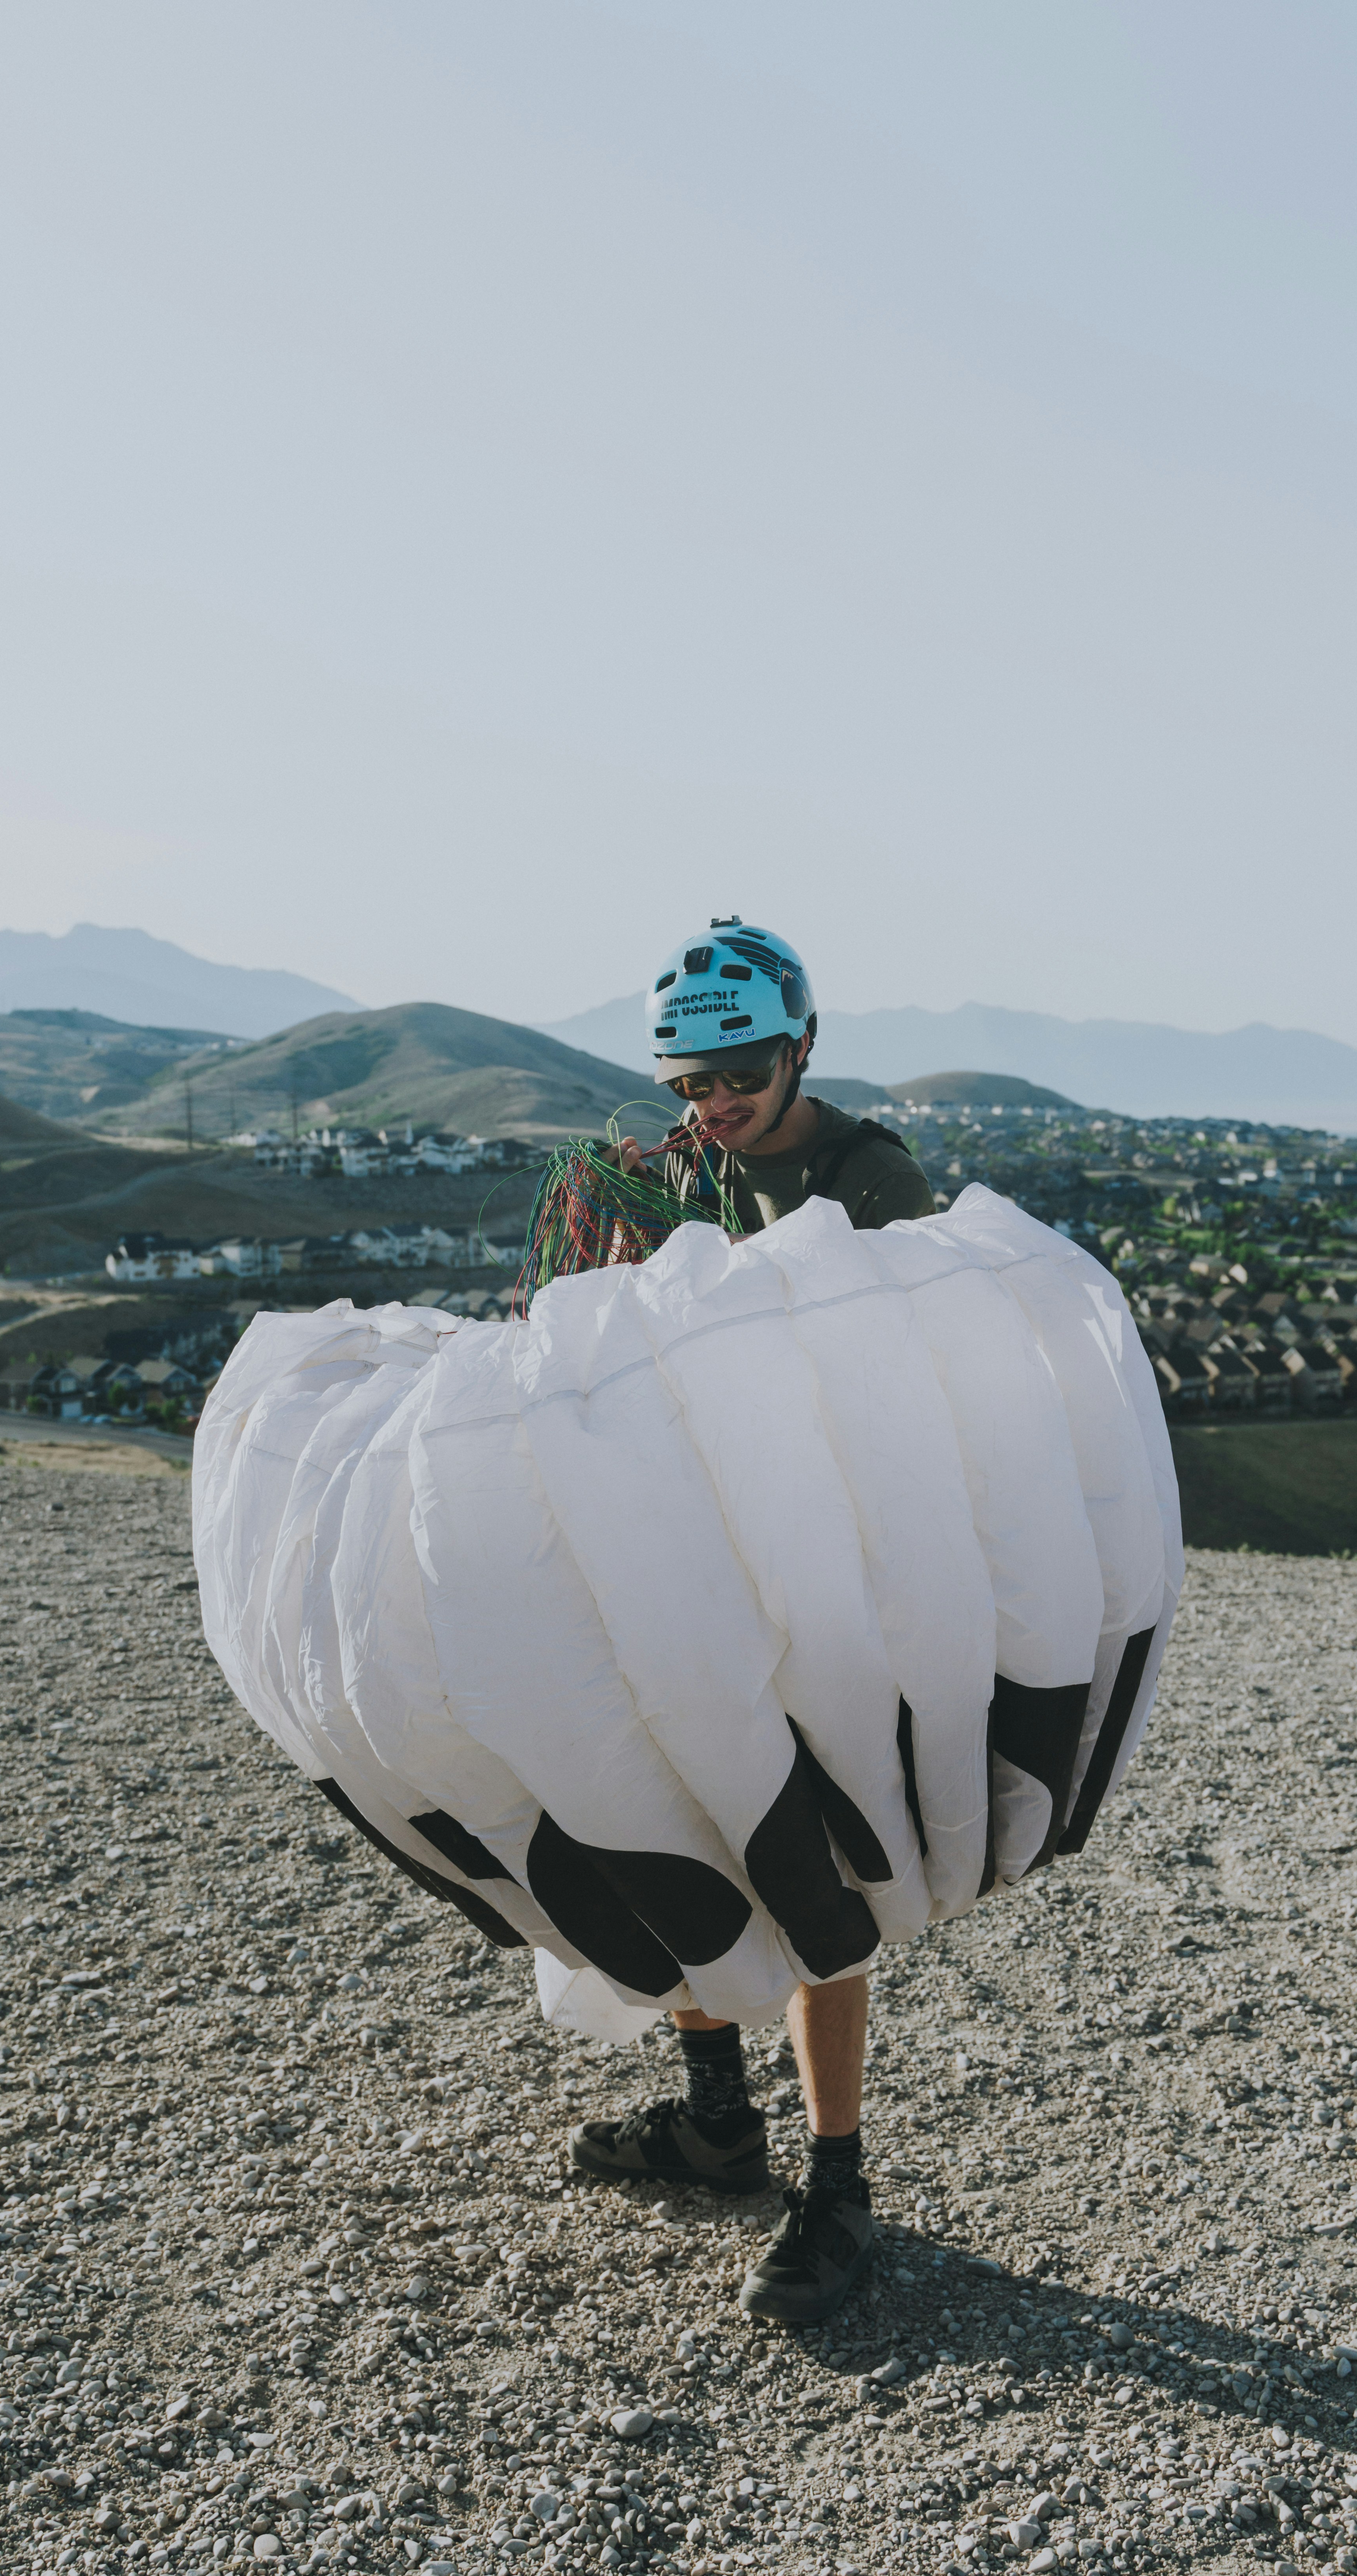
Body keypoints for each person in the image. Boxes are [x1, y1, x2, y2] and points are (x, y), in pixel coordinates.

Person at [568, 919, 936, 2328]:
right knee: (670, 1815)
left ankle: (834, 2184)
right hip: (688, 1544)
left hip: (828, 1561)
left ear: (799, 1048)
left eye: (735, 1071)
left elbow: (905, 1382)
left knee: (813, 1862)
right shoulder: (684, 1168)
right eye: (684, 1081)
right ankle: (718, 2122)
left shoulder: (870, 1179)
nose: (710, 1102)